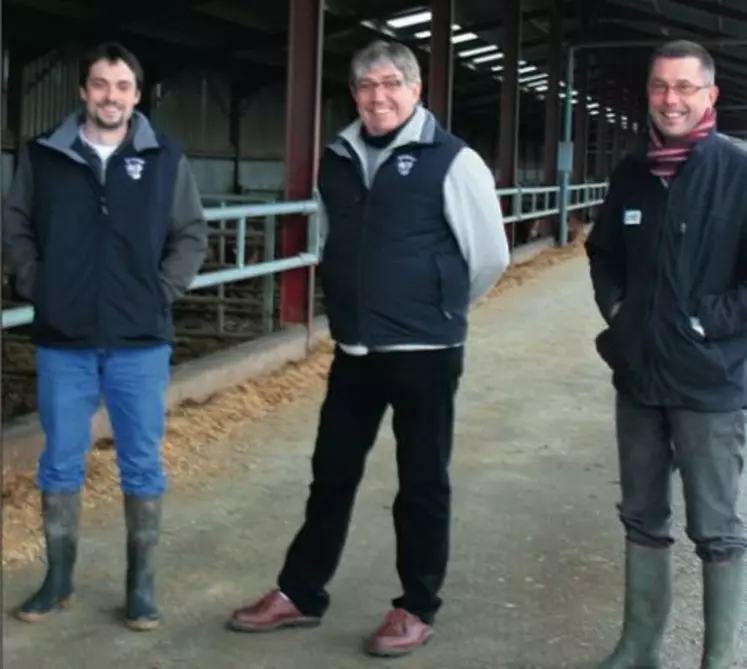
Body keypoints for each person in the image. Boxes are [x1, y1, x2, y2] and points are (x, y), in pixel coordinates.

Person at [226, 39, 509, 656]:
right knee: (330, 474)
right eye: (366, 86)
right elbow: (333, 236)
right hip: (355, 349)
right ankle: (301, 592)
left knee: (421, 482)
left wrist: (441, 311)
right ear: (354, 94)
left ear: (415, 90)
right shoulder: (338, 157)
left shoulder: (453, 160)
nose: (378, 97)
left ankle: (416, 606)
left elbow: (489, 256)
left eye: (390, 84)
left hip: (426, 353)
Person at [3, 42, 208, 631]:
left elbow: (190, 232)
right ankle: (58, 579)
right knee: (60, 462)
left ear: (137, 96)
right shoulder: (44, 156)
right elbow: (14, 222)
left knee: (141, 464)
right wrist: (38, 282)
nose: (110, 96)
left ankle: (140, 587)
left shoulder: (165, 157)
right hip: (63, 336)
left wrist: (162, 290)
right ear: (83, 92)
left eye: (122, 87)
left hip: (140, 339)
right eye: (100, 85)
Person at [586, 40, 745, 669]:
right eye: (659, 87)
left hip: (709, 381)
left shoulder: (737, 173)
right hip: (639, 374)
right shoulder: (634, 173)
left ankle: (719, 658)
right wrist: (620, 314)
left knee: (718, 528)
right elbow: (603, 254)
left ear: (710, 95)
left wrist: (704, 322)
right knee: (642, 514)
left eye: (684, 87)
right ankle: (640, 645)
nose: (670, 100)